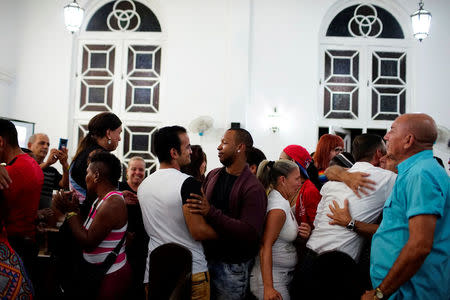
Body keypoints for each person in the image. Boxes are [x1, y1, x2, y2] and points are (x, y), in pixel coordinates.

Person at [362, 113, 450, 300]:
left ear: (408, 140)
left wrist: (379, 293)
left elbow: (420, 245)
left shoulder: (421, 174)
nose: (386, 136)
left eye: (392, 130)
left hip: (412, 292)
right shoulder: (415, 171)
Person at [187, 128, 267, 300]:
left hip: (231, 267)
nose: (218, 147)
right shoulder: (214, 174)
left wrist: (211, 212)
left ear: (240, 147)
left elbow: (250, 233)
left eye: (224, 143)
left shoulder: (253, 188)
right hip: (206, 259)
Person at [138, 126, 217, 300]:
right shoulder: (188, 183)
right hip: (189, 272)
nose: (190, 151)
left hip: (155, 272)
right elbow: (198, 231)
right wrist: (229, 231)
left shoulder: (143, 185)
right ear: (174, 152)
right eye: (187, 147)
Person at [54, 151, 131, 300]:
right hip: (101, 273)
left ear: (96, 176)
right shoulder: (101, 199)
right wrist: (75, 208)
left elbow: (88, 242)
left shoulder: (112, 203)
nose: (85, 177)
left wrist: (70, 212)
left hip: (111, 275)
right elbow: (87, 228)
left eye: (87, 172)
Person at [249, 160, 302, 300]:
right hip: (270, 280)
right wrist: (268, 288)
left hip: (281, 277)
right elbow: (264, 246)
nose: (300, 182)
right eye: (296, 178)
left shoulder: (282, 201)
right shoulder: (277, 208)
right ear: (282, 180)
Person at [0, 119, 44, 277]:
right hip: (27, 242)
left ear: (0, 141)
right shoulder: (32, 164)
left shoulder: (10, 172)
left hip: (12, 246)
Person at [70, 112, 122, 210]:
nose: (119, 138)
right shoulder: (98, 156)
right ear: (108, 133)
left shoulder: (84, 151)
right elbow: (99, 191)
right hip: (88, 215)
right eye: (119, 133)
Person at [119, 156, 148, 300]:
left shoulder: (148, 190)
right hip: (121, 244)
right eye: (133, 169)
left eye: (141, 169)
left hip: (143, 246)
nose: (137, 172)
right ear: (127, 171)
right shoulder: (118, 189)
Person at [280, 145, 321, 230]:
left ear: (293, 162)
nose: (277, 164)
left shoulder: (310, 191)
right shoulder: (282, 185)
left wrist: (309, 232)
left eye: (281, 160)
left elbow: (318, 226)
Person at [28, 133, 69, 209]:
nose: (46, 147)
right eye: (42, 143)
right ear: (30, 145)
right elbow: (27, 173)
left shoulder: (51, 170)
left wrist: (65, 165)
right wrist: (47, 163)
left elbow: (64, 185)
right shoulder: (23, 163)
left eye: (48, 144)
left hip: (45, 217)